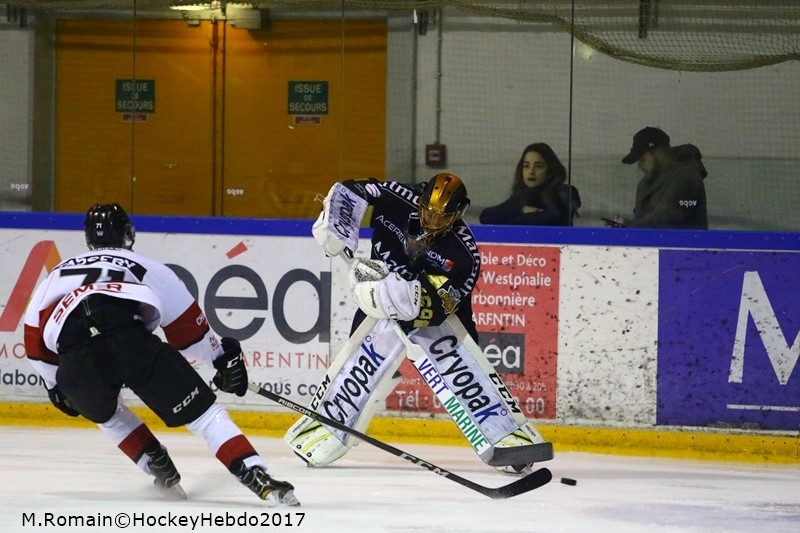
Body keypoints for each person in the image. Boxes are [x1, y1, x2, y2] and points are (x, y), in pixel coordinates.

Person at [23, 203, 299, 506]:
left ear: (88, 237)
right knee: (207, 416)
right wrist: (221, 360)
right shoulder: (144, 265)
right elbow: (188, 332)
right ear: (127, 234)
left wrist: (55, 385)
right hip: (130, 340)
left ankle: (158, 467)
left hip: (75, 358)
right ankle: (254, 473)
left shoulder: (55, 275)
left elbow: (34, 338)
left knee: (108, 415)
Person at [284, 173, 553, 475]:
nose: (433, 221)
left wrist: (390, 294)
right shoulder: (396, 197)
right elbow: (354, 190)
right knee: (360, 365)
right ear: (421, 199)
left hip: (442, 316)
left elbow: (434, 308)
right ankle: (326, 430)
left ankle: (507, 439)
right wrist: (337, 220)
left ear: (459, 213)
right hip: (378, 306)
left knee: (464, 376)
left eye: (442, 216)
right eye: (428, 211)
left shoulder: (464, 254)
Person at [605, 127, 708, 229]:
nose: (639, 166)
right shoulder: (645, 183)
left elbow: (667, 218)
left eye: (642, 160)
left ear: (659, 154)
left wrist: (631, 228)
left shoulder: (686, 177)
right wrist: (626, 224)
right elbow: (646, 222)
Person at [479, 143, 581, 226]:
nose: (531, 172)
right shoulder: (520, 197)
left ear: (550, 171)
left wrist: (512, 217)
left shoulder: (564, 192)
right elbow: (485, 216)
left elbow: (547, 221)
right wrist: (521, 210)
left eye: (539, 166)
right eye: (526, 166)